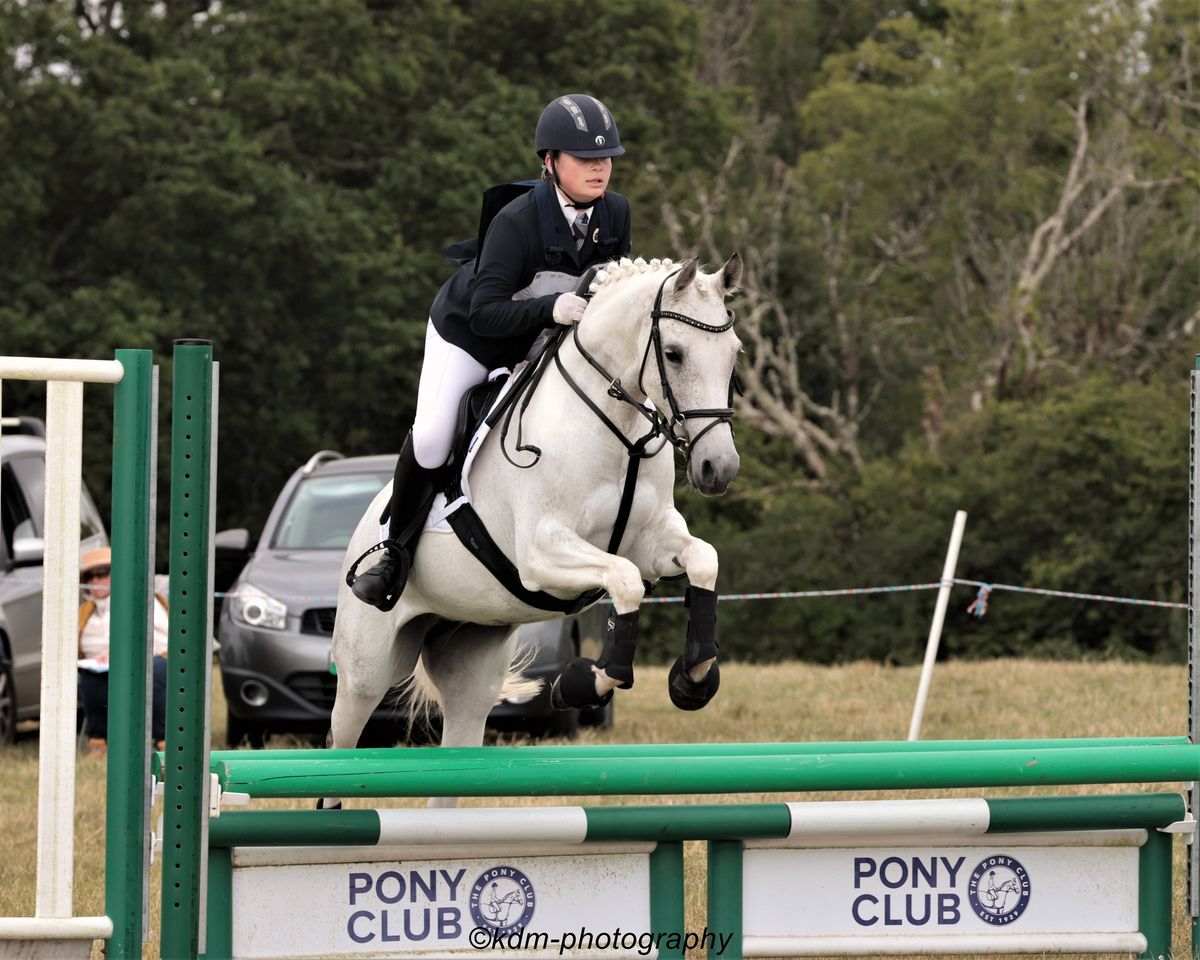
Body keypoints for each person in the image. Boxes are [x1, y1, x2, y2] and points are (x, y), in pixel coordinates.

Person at [351, 93, 633, 609]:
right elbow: (486, 312)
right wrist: (553, 309)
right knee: (435, 438)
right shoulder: (517, 220)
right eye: (585, 158)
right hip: (471, 335)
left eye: (606, 157)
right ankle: (393, 554)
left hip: (541, 342)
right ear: (549, 162)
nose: (600, 168)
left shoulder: (615, 215)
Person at [77, 547, 169, 756]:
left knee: (157, 670)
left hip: (146, 663)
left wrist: (122, 655)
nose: (96, 580)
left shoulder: (144, 600)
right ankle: (98, 741)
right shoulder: (85, 611)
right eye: (91, 575)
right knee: (90, 675)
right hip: (102, 670)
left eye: (103, 573)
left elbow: (164, 640)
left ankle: (163, 740)